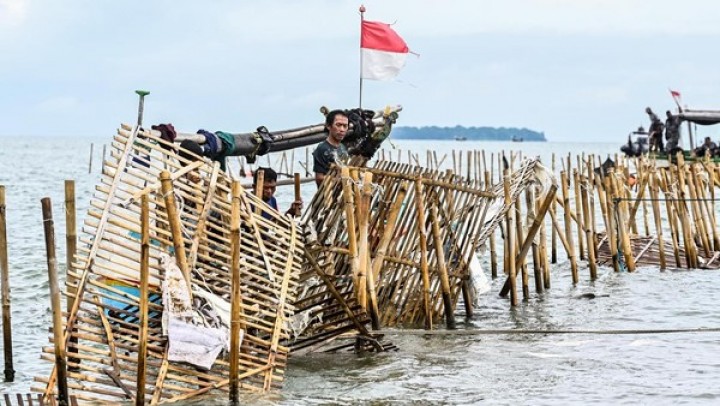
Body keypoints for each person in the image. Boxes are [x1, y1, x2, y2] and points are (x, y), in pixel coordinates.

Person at [313, 110, 350, 186]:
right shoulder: (322, 149)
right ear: (329, 126)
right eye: (338, 125)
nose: (342, 129)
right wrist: (340, 180)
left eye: (345, 126)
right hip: (328, 195)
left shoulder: (342, 147)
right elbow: (319, 178)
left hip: (343, 194)